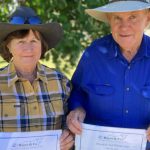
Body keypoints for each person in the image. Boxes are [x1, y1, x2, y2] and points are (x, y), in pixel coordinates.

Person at [67, 0, 150, 149]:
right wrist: (77, 109)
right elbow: (77, 91)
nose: (124, 26)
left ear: (148, 18)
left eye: (133, 17)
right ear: (109, 20)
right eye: (117, 18)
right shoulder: (94, 54)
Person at [0, 6, 74, 150]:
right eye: (21, 42)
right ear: (8, 46)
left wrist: (68, 138)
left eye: (34, 41)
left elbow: (69, 125)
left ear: (42, 46)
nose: (28, 49)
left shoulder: (61, 82)